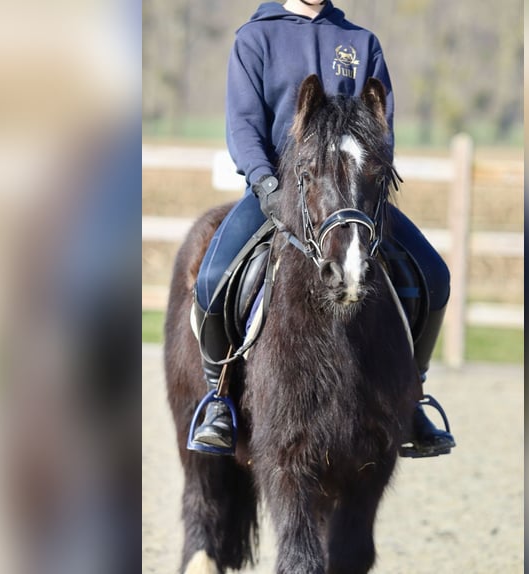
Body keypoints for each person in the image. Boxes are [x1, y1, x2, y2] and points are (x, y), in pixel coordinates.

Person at [191, 0, 455, 458]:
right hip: (277, 190)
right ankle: (218, 398)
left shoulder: (361, 42)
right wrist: (265, 181)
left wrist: (365, 175)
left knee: (433, 275)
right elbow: (243, 125)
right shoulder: (254, 39)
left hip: (349, 198)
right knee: (211, 280)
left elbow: (381, 128)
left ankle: (414, 396)